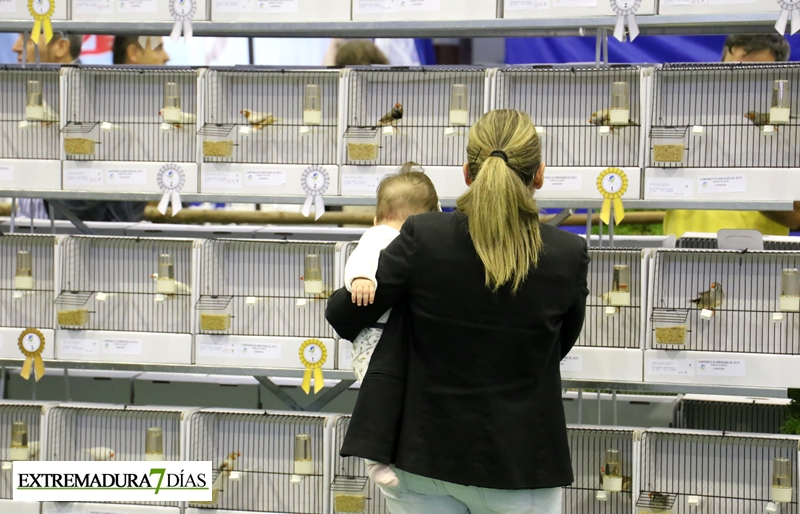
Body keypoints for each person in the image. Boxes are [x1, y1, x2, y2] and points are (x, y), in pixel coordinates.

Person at [326, 109, 590, 514]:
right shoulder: (567, 254)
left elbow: (345, 314)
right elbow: (558, 346)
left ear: (467, 171)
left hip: (419, 459)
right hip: (517, 467)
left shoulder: (423, 236)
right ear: (539, 174)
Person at [344, 163, 439, 487]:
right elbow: (360, 259)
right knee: (381, 400)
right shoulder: (379, 235)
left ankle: (392, 454)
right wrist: (360, 279)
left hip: (396, 339)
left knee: (398, 399)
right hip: (375, 339)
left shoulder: (411, 242)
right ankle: (375, 460)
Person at [664, 34, 800, 238]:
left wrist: (747, 187)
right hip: (684, 256)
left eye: (753, 72)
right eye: (732, 69)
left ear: (778, 75)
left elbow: (797, 217)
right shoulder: (685, 113)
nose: (739, 80)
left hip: (757, 259)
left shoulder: (791, 127)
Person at [11, 32, 83, 220]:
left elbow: (87, 184)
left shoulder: (89, 98)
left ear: (60, 47)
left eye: (26, 38)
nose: (16, 47)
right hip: (27, 233)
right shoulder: (27, 92)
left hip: (73, 237)